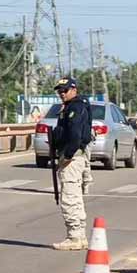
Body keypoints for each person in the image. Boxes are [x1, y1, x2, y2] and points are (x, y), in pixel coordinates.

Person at [50, 76, 94, 250]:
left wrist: (67, 155)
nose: (62, 94)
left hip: (73, 157)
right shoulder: (72, 106)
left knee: (69, 198)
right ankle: (80, 236)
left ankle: (74, 236)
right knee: (76, 198)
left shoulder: (75, 107)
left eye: (65, 90)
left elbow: (75, 135)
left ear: (74, 90)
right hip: (76, 156)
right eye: (59, 91)